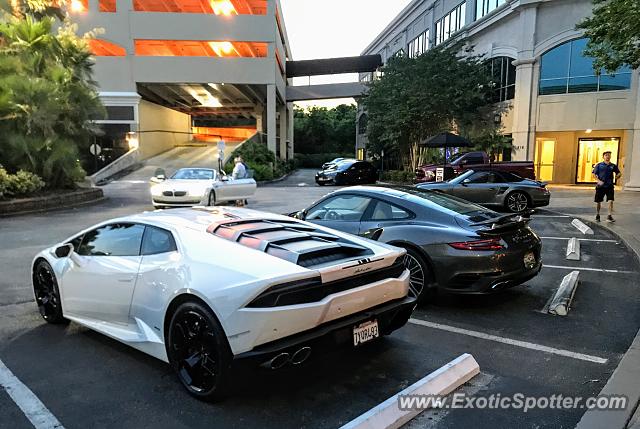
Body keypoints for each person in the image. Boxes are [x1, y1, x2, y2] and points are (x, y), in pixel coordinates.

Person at [592, 151, 621, 222]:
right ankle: (597, 215)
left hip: (609, 186)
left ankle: (609, 216)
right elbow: (593, 175)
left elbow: (618, 172)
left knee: (611, 201)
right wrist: (598, 181)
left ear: (610, 157)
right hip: (600, 187)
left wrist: (618, 176)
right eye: (606, 155)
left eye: (609, 155)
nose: (607, 156)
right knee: (598, 201)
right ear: (603, 156)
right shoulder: (599, 165)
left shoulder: (613, 165)